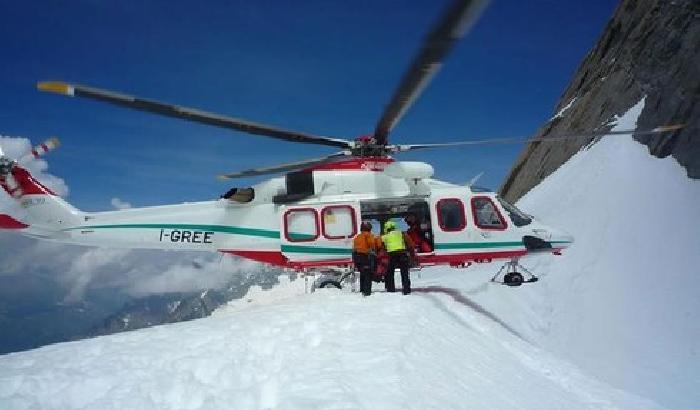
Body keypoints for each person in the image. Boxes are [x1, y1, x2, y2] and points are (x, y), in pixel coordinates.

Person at [381, 220, 414, 295]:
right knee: (404, 272)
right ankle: (406, 290)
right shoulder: (401, 233)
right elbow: (410, 243)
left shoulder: (384, 237)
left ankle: (391, 289)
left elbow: (382, 248)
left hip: (391, 256)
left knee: (390, 272)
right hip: (402, 254)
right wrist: (411, 253)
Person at [352, 221, 380, 296]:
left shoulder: (357, 237)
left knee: (362, 273)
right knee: (368, 274)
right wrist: (374, 251)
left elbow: (354, 248)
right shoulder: (369, 235)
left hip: (357, 257)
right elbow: (372, 244)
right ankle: (367, 292)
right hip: (365, 256)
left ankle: (362, 289)